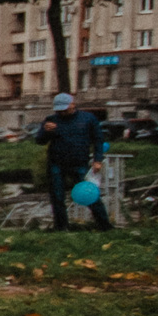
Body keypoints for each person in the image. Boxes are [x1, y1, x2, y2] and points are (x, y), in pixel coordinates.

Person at [39, 92, 111, 231]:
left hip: (79, 162)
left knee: (90, 193)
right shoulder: (51, 120)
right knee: (57, 197)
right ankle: (61, 227)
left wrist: (98, 159)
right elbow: (40, 141)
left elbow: (98, 140)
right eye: (59, 110)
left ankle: (104, 226)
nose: (63, 112)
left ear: (73, 104)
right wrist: (45, 131)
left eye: (65, 109)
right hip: (56, 163)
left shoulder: (88, 118)